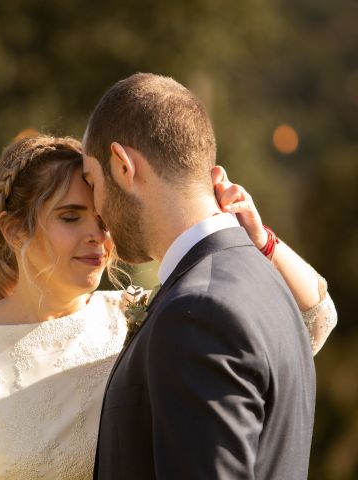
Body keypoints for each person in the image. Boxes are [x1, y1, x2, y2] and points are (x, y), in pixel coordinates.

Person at [0, 134, 336, 479]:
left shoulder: (138, 316)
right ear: (13, 231)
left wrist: (261, 239)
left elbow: (313, 319)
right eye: (70, 217)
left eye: (101, 219)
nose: (96, 236)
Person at [83, 73, 331, 479]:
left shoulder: (198, 312)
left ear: (122, 166)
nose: (96, 211)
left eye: (93, 181)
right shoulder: (266, 284)